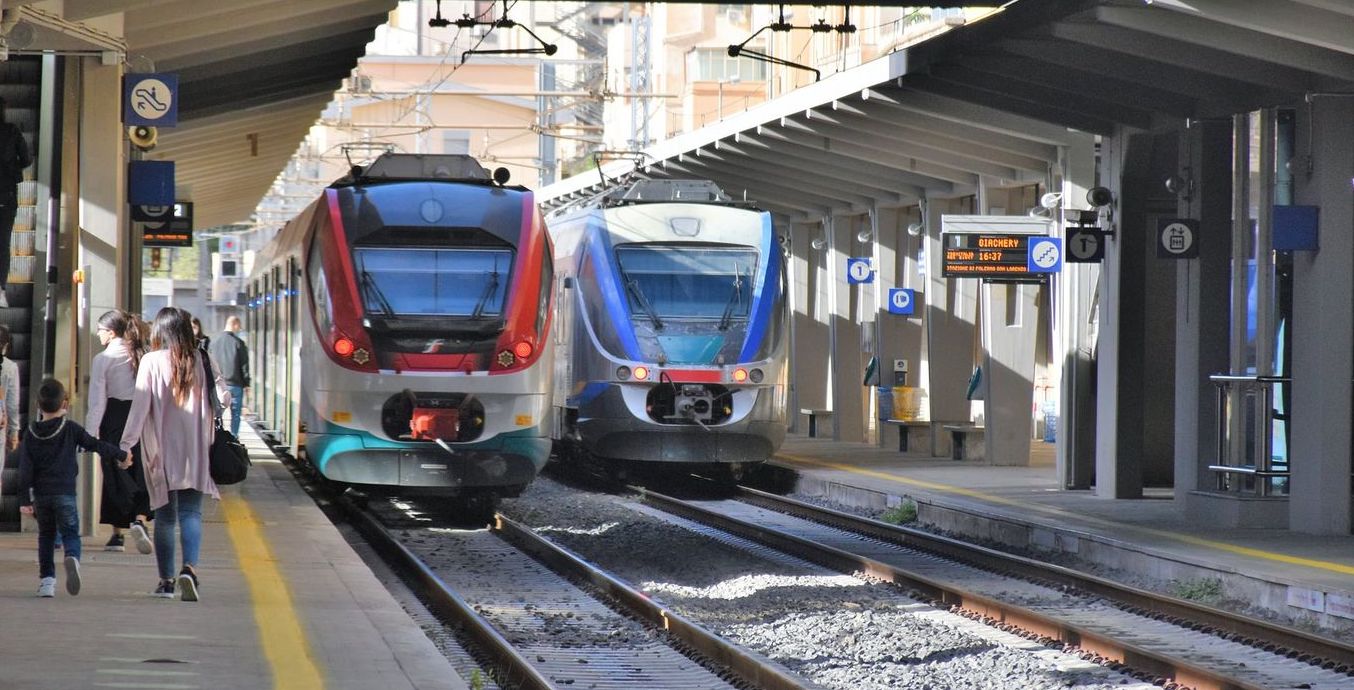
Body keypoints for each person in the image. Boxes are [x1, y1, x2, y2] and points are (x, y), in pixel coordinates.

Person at [121, 307, 228, 601]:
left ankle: (166, 583)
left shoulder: (151, 362)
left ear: (161, 332)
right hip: (197, 450)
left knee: (166, 517)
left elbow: (140, 408)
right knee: (191, 512)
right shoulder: (204, 359)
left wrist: (126, 444)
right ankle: (189, 570)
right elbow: (225, 400)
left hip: (161, 452)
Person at [16, 378, 129, 597]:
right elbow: (96, 445)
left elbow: (25, 469)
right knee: (70, 533)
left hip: (42, 496)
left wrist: (24, 500)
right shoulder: (71, 429)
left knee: (46, 536)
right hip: (65, 493)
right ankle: (73, 558)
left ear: (39, 406)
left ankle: (47, 582)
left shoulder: (30, 432)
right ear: (65, 405)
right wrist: (122, 454)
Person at [88, 310, 152, 554]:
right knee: (142, 469)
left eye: (101, 330)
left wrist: (90, 435)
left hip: (113, 418)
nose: (98, 334)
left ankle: (117, 536)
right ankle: (140, 519)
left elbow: (97, 402)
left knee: (115, 473)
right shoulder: (143, 354)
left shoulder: (103, 359)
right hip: (142, 416)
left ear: (111, 332)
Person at [0, 97, 32, 309]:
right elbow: (27, 160)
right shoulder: (11, 131)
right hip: (6, 195)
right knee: (3, 243)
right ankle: (0, 289)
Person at [208, 315, 249, 438]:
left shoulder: (214, 343)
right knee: (235, 414)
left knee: (217, 413)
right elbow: (244, 365)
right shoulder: (239, 343)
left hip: (218, 385)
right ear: (235, 325)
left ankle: (217, 436)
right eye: (239, 327)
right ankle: (234, 437)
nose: (239, 329)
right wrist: (247, 383)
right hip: (236, 384)